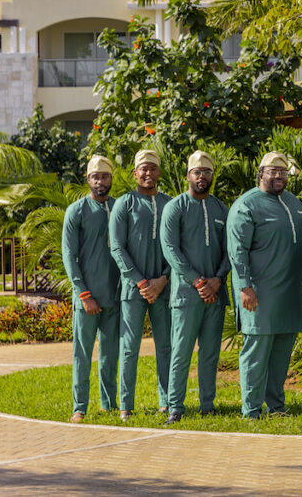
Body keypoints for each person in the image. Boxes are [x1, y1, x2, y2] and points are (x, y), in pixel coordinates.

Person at [227, 151, 302, 419]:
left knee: (281, 354)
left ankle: (276, 406)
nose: (278, 176)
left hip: (290, 296)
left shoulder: (294, 203)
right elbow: (237, 250)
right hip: (259, 293)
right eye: (272, 171)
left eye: (282, 172)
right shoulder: (246, 205)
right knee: (256, 353)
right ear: (260, 173)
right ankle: (250, 410)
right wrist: (244, 286)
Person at [160, 150, 230, 424]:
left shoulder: (221, 209)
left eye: (207, 172)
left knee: (211, 351)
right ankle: (175, 406)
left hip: (215, 292)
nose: (202, 177)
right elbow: (170, 249)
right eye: (197, 172)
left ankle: (207, 404)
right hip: (186, 294)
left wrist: (218, 279)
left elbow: (229, 250)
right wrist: (198, 281)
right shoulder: (176, 207)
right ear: (188, 174)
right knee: (181, 351)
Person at [110, 149, 172, 421]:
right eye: (142, 169)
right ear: (134, 173)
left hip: (164, 288)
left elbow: (177, 248)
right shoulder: (125, 204)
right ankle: (126, 405)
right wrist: (141, 281)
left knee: (166, 346)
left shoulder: (171, 204)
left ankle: (167, 401)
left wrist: (164, 279)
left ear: (159, 172)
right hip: (132, 289)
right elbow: (116, 247)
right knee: (129, 347)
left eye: (153, 168)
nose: (148, 173)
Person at [62, 154, 121, 423]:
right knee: (82, 355)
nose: (100, 181)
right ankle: (80, 407)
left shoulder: (120, 208)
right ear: (88, 179)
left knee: (110, 355)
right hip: (87, 299)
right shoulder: (77, 211)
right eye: (96, 177)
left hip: (115, 298)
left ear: (111, 179)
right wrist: (84, 294)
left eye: (105, 176)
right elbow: (69, 256)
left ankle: (109, 405)